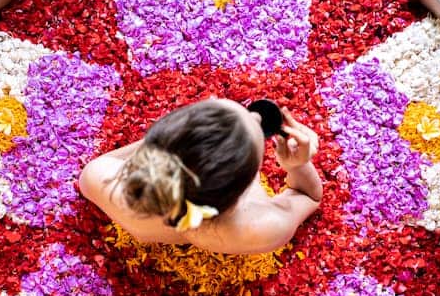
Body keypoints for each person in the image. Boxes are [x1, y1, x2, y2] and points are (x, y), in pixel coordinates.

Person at [78, 98, 322, 255]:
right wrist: (298, 165)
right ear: (247, 187)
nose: (255, 116)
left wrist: (181, 135)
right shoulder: (262, 229)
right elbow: (308, 197)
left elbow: (140, 156)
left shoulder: (100, 178)